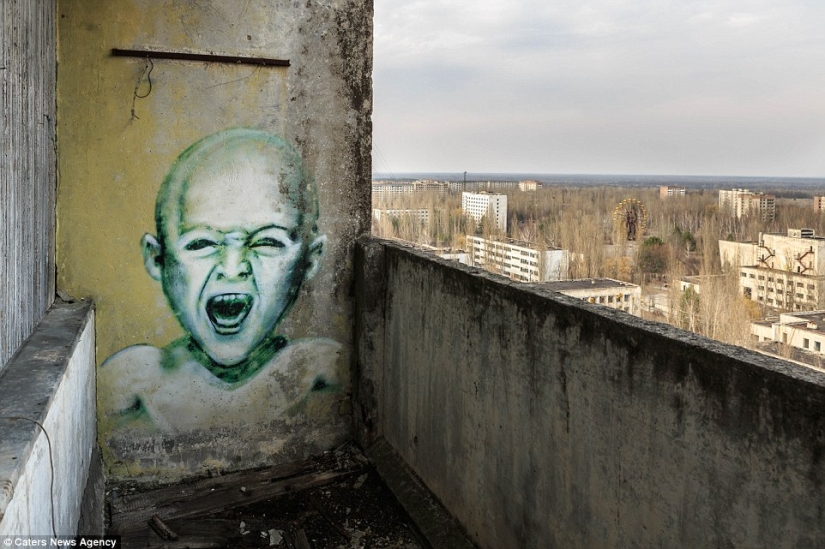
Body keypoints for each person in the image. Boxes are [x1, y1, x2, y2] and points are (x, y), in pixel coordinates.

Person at [99, 128, 347, 440]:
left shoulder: (321, 373)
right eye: (201, 243)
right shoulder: (132, 384)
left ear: (310, 260)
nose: (232, 269)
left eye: (267, 242)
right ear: (157, 259)